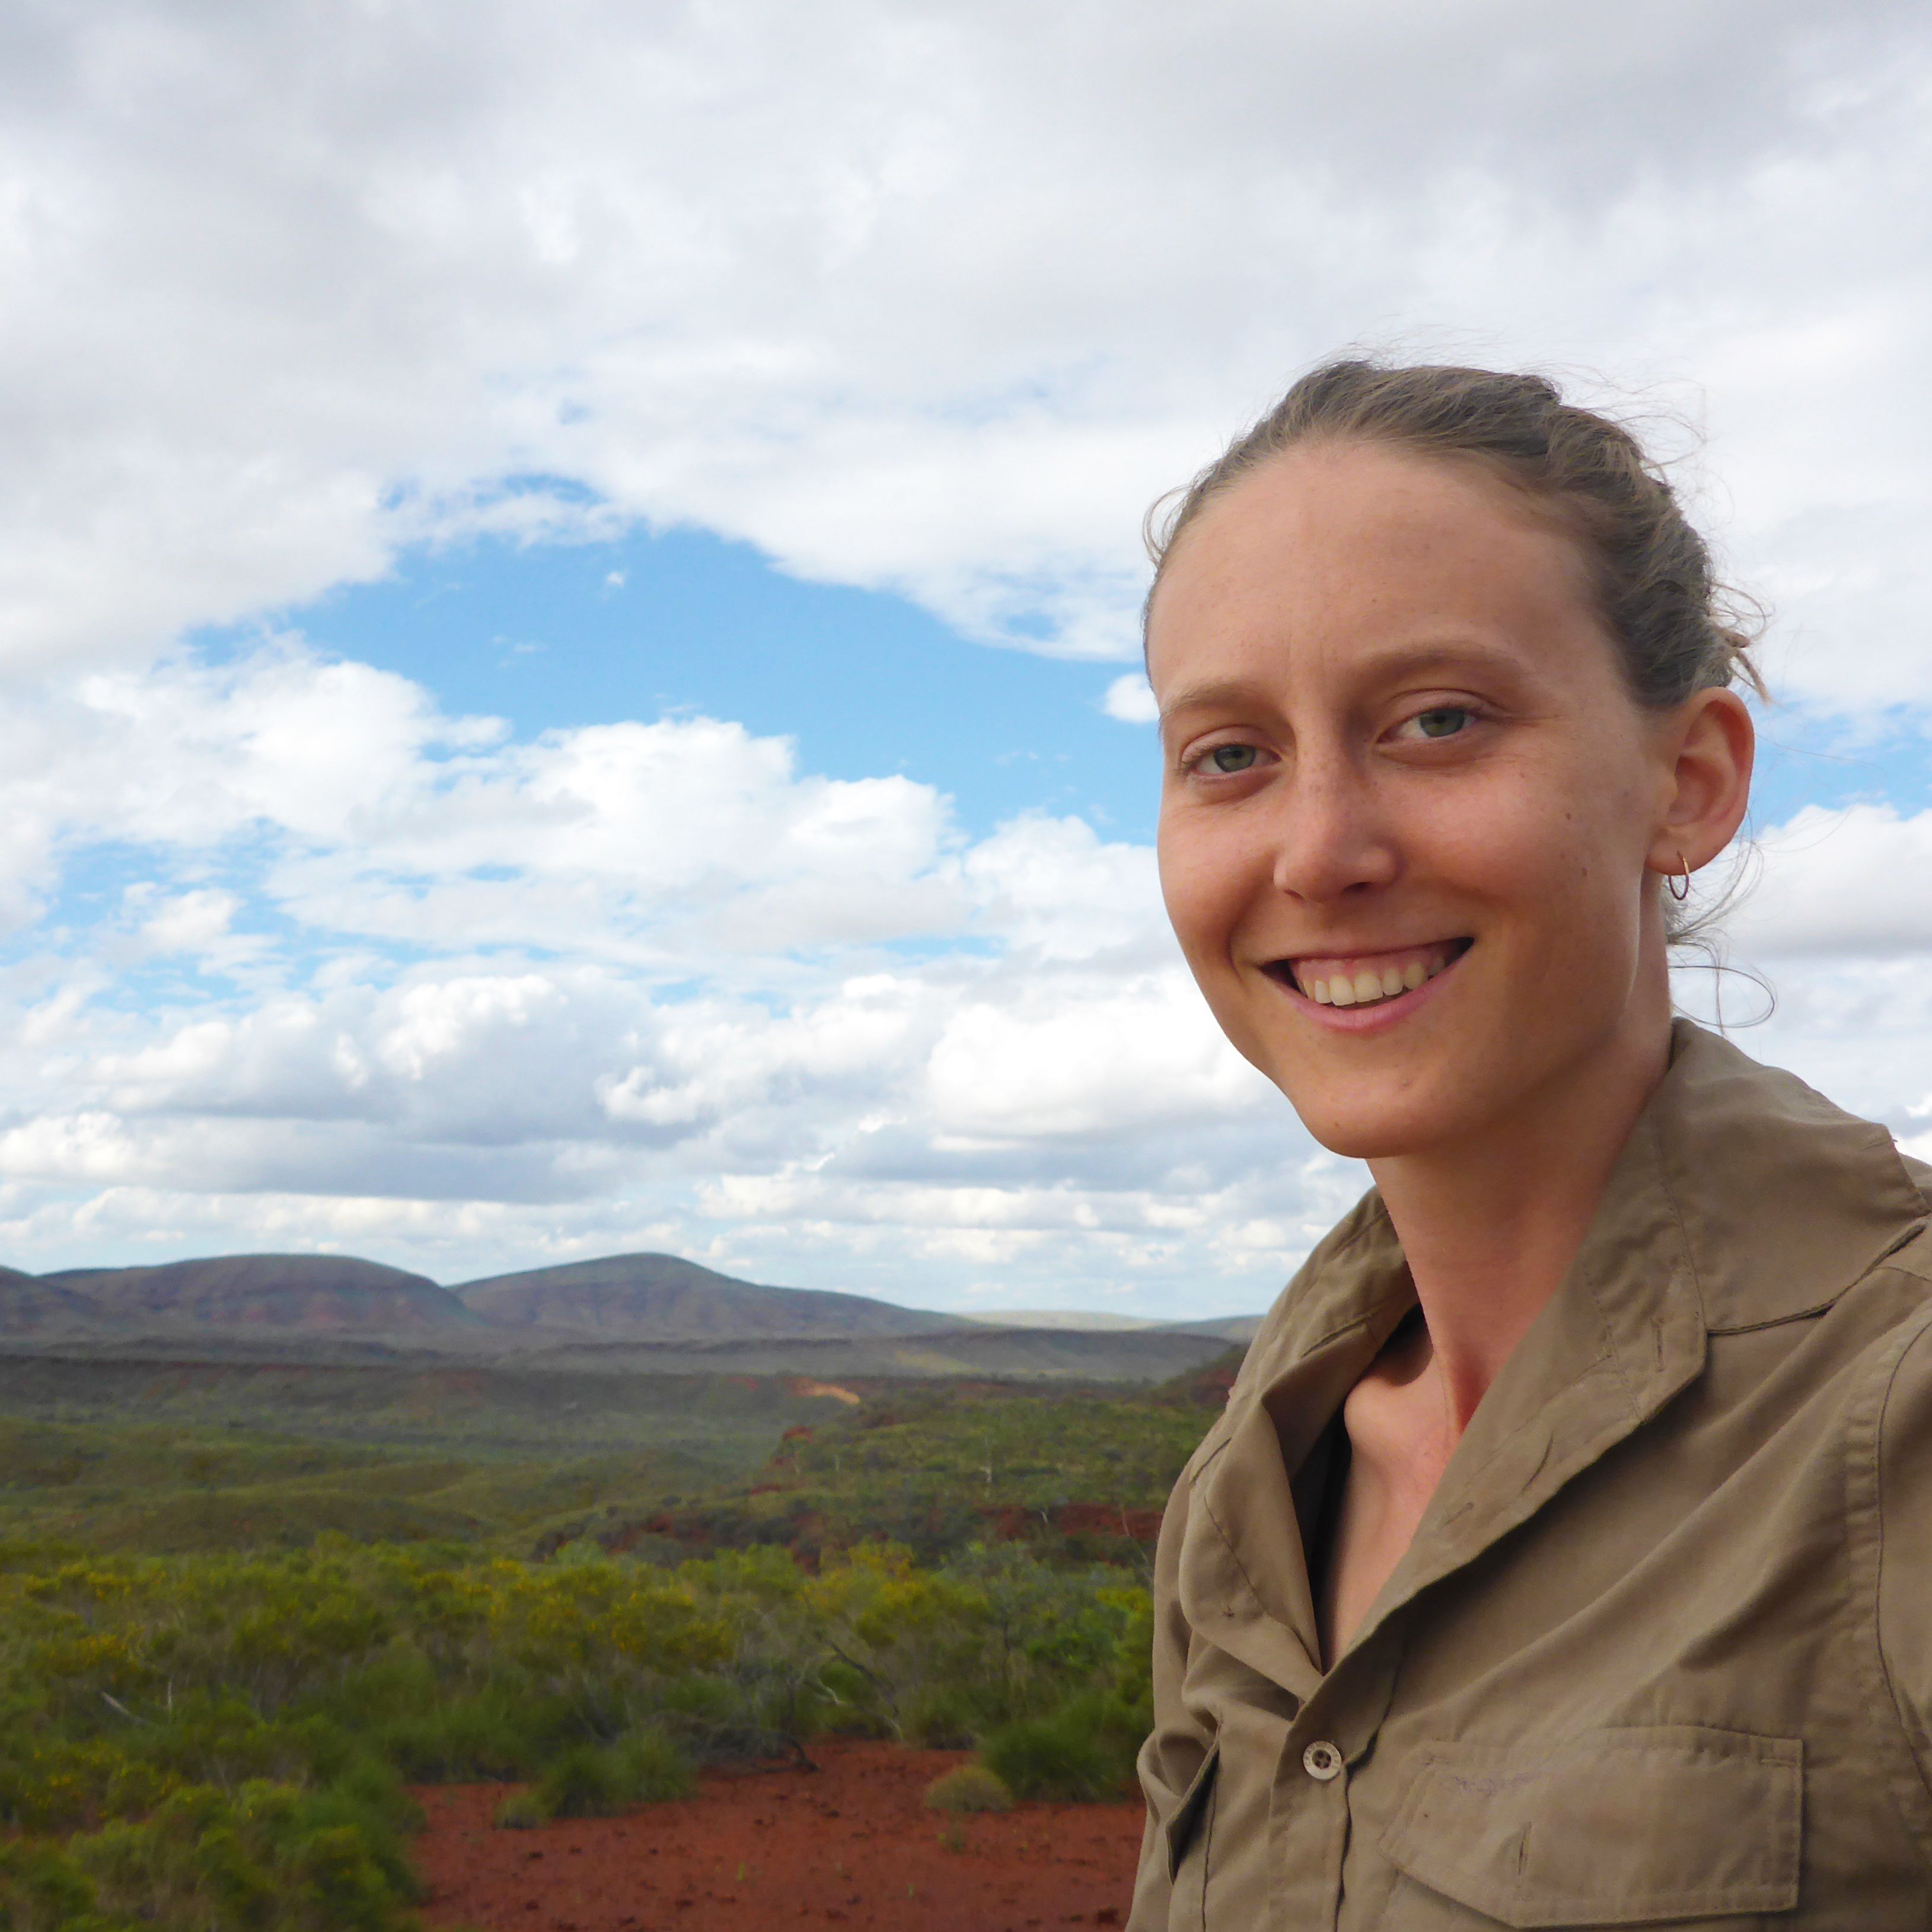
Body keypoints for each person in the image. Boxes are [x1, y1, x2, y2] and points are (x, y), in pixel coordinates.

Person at [1126, 360, 1932, 1930]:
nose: (1317, 850)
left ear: (1683, 783)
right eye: (1230, 752)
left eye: (1437, 720)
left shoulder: (1894, 1424)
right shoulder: (1254, 1481)